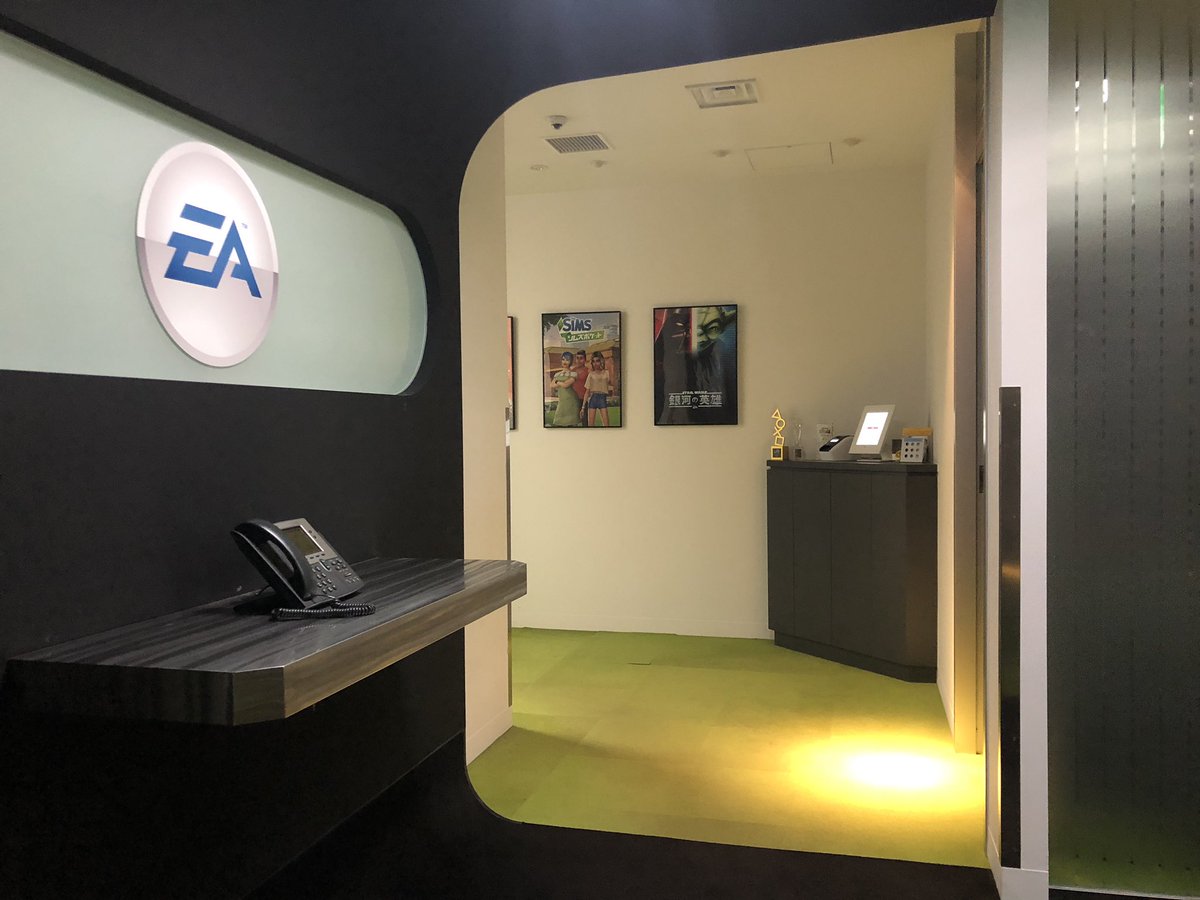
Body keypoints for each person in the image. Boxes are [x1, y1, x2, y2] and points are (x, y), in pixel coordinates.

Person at [550, 351, 582, 426]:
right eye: (563, 359)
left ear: (571, 361)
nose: (565, 362)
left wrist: (557, 381)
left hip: (571, 401)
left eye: (567, 360)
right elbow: (551, 385)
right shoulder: (557, 374)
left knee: (572, 424)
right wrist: (559, 382)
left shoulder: (573, 374)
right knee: (559, 423)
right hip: (562, 401)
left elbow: (566, 385)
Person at [582, 352, 613, 427]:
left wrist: (610, 366)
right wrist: (583, 407)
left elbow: (612, 383)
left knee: (607, 425)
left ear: (601, 361)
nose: (595, 363)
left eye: (597, 361)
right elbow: (587, 391)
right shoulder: (591, 374)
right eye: (593, 361)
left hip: (602, 399)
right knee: (591, 425)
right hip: (593, 399)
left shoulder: (607, 373)